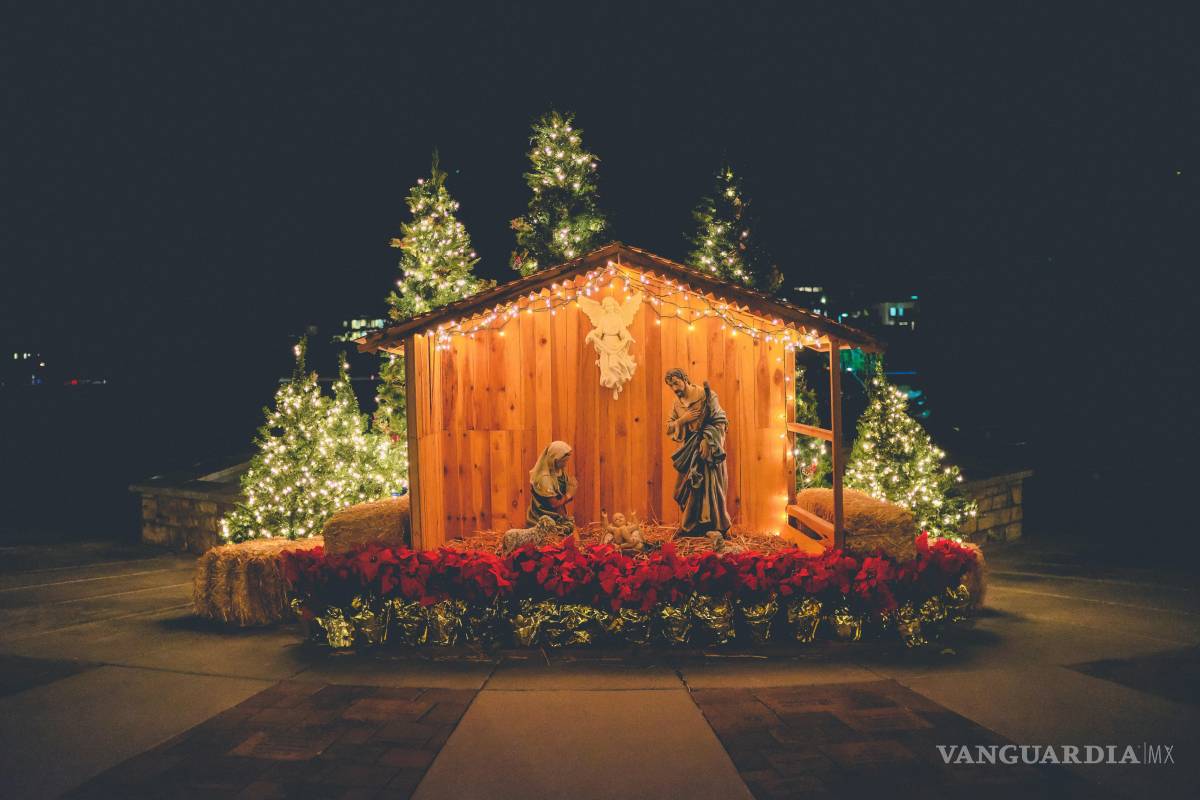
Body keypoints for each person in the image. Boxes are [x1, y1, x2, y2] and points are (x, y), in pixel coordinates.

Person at [665, 368, 732, 537]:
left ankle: (716, 526)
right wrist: (682, 420)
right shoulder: (677, 403)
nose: (674, 388)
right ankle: (691, 526)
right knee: (689, 486)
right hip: (690, 450)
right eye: (671, 385)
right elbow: (669, 427)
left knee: (711, 486)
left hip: (709, 450)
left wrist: (707, 440)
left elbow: (721, 420)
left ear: (685, 379)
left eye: (676, 383)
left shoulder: (706, 395)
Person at [526, 440, 576, 530]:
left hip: (557, 515)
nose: (565, 465)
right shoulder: (544, 478)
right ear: (555, 460)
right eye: (563, 461)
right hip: (543, 520)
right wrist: (569, 494)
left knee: (570, 528)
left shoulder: (558, 471)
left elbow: (560, 499)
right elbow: (554, 504)